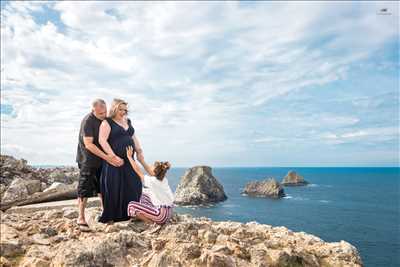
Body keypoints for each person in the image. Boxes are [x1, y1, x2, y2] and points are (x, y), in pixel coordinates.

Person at [76, 99, 123, 230]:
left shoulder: (106, 118)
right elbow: (89, 145)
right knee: (84, 189)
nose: (104, 115)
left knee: (103, 187)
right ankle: (81, 217)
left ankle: (105, 214)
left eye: (105, 112)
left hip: (103, 159)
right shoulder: (88, 121)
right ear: (93, 110)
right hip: (88, 159)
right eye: (101, 113)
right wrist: (108, 157)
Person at [98, 99, 144, 223]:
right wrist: (113, 156)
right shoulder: (107, 122)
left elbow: (133, 136)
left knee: (134, 184)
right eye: (120, 109)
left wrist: (139, 150)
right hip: (115, 161)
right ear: (114, 109)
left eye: (125, 110)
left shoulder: (128, 121)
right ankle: (115, 216)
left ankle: (131, 212)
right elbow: (102, 140)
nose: (123, 112)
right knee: (115, 186)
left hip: (130, 159)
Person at [126, 146, 174, 225]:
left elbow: (138, 171)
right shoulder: (163, 179)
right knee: (144, 195)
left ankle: (151, 223)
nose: (150, 167)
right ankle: (150, 216)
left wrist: (129, 157)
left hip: (160, 215)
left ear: (154, 171)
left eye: (152, 166)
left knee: (131, 205)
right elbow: (150, 171)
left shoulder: (152, 181)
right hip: (168, 213)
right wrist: (141, 160)